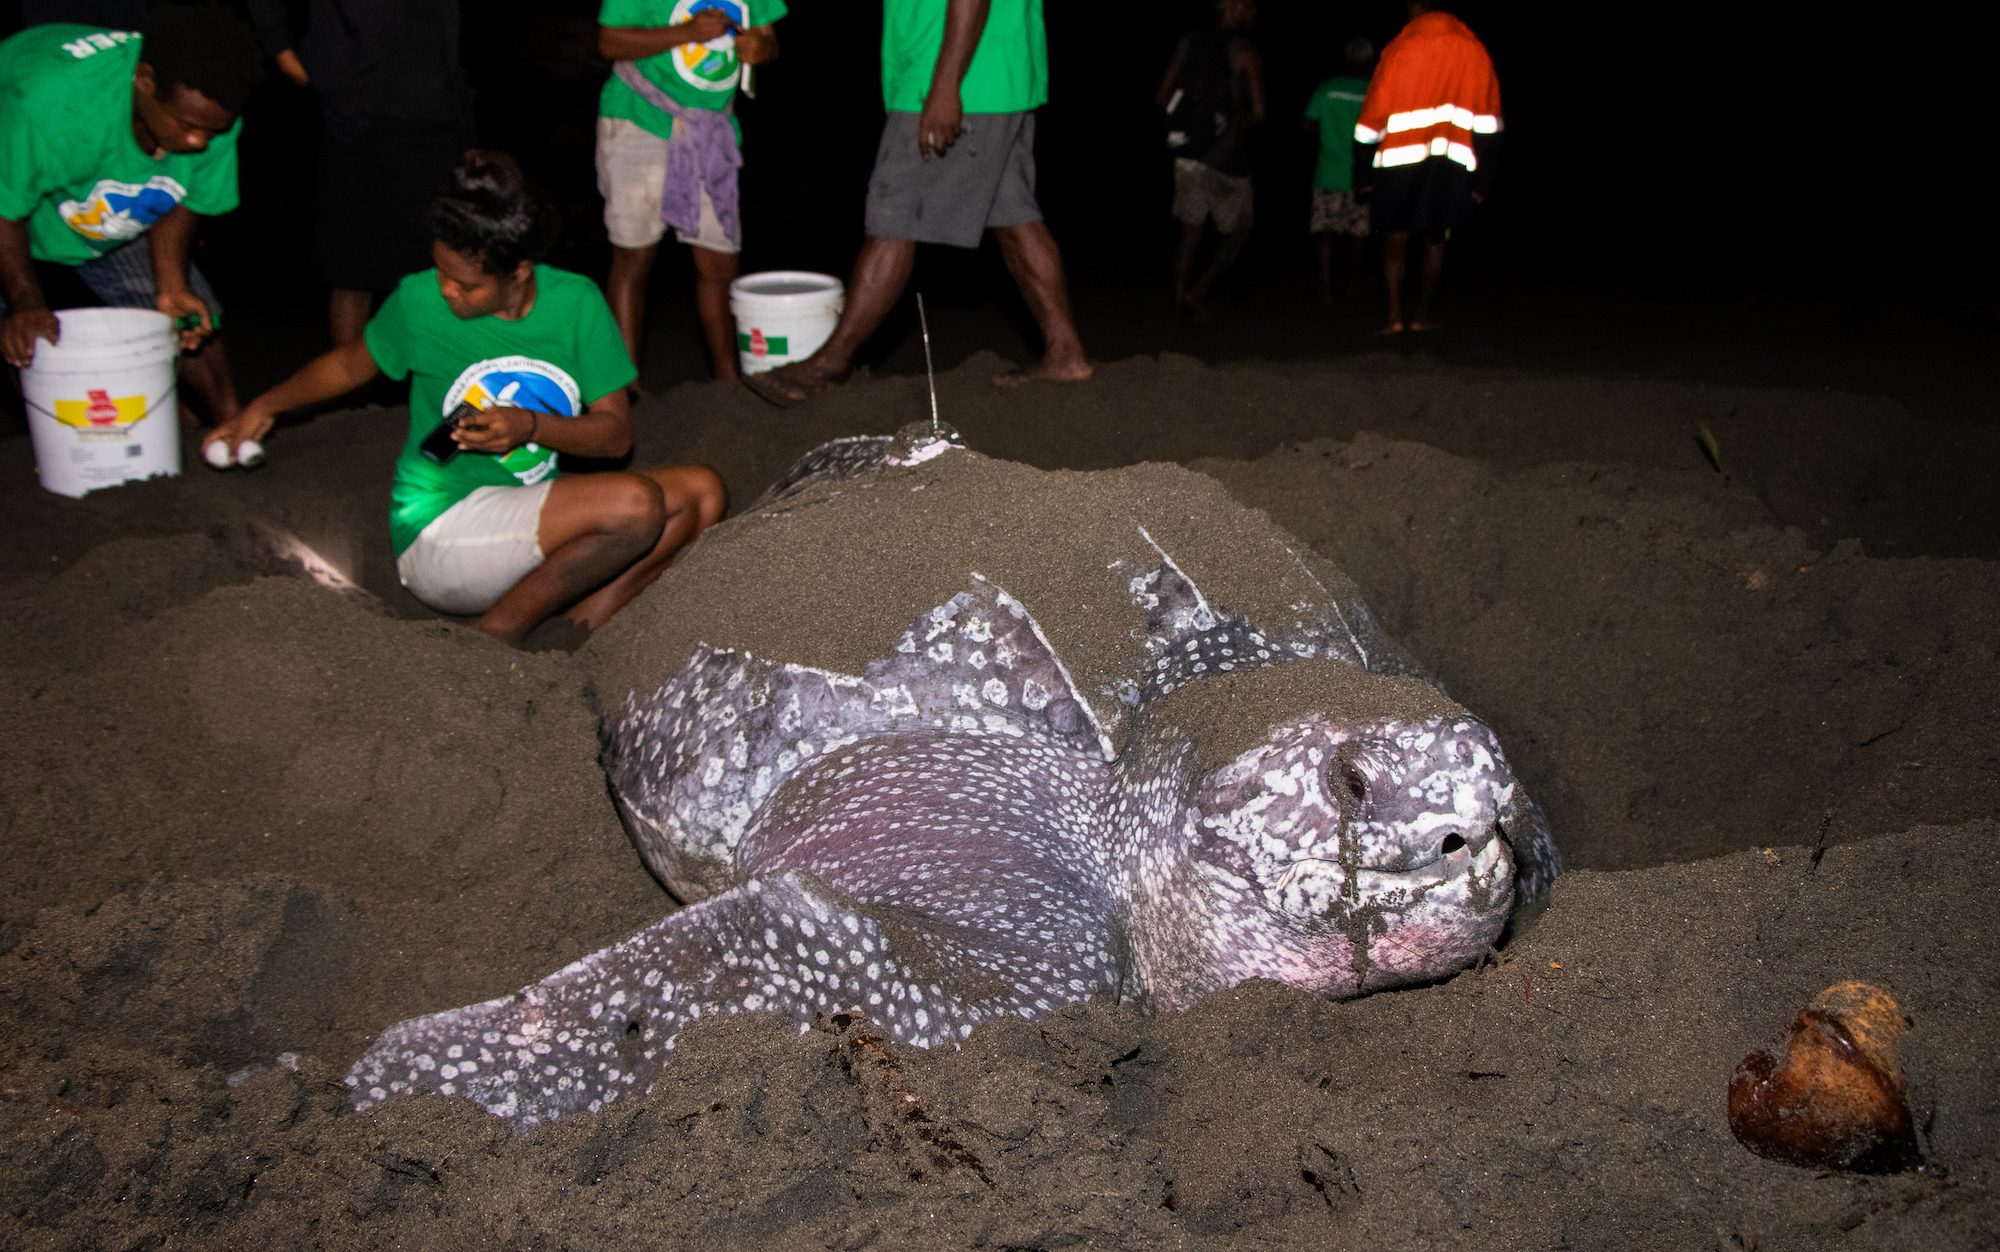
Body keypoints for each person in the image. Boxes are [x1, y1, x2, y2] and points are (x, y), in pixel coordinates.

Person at [204, 152, 725, 648]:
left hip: (526, 515)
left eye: (466, 284)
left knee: (702, 493)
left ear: (519, 271)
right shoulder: (418, 301)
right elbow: (346, 364)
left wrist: (529, 427)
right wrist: (264, 406)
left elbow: (615, 437)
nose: (447, 291)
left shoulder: (577, 303)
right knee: (636, 506)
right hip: (440, 530)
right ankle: (495, 634)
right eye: (440, 272)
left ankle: (575, 632)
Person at [745, 0, 1089, 406]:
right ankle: (1066, 355)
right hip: (1002, 75)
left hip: (954, 79)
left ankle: (830, 365)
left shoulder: (947, 83)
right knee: (1017, 218)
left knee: (893, 221)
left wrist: (945, 86)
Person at [0, 0, 261, 435]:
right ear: (144, 81)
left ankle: (232, 426)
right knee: (25, 333)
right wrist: (27, 301)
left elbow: (182, 196)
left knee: (187, 315)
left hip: (92, 190)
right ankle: (53, 446)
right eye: (187, 126)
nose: (199, 142)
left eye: (212, 131)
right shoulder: (51, 105)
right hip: (15, 168)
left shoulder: (213, 115)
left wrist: (171, 285)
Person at [243, 0, 475, 348]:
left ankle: (436, 387)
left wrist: (466, 118)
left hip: (440, 108)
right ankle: (350, 394)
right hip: (358, 110)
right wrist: (280, 47)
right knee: (352, 269)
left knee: (446, 260)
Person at [597, 0, 785, 384]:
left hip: (714, 132)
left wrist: (760, 49)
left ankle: (728, 385)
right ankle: (627, 393)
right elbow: (609, 42)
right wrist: (687, 33)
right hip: (639, 117)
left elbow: (768, 40)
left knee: (719, 262)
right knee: (635, 255)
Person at [1353, 1, 1501, 334]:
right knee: (1436, 240)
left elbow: (1371, 117)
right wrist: (1482, 181)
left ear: (1416, 8)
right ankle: (1420, 316)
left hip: (1397, 162)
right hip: (1451, 164)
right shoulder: (1474, 49)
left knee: (1395, 238)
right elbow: (1490, 123)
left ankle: (1393, 316)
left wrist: (1363, 174)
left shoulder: (1400, 48)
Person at [1157, 0, 1263, 324]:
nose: (1254, 13)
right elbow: (1260, 112)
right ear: (1232, 8)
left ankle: (1177, 304)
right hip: (1224, 158)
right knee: (1240, 231)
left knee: (1190, 233)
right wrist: (1234, 123)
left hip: (1186, 152)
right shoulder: (1245, 50)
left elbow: (1161, 97)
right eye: (1249, 6)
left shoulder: (1188, 43)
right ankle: (1197, 293)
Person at [1303, 37, 1372, 303]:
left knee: (1326, 233)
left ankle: (1325, 287)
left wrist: (1330, 133)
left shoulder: (1327, 89)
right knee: (1358, 234)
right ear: (1368, 60)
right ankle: (1353, 285)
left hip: (1328, 169)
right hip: (1361, 174)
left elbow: (1306, 123)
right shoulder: (1373, 92)